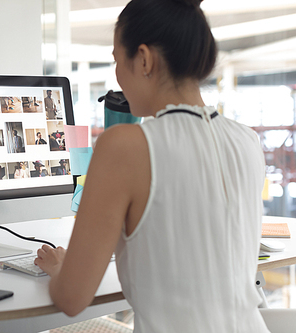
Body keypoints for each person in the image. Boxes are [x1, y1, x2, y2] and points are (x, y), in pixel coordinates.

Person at [34, 1, 268, 332]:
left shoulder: (124, 146)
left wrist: (61, 270)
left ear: (144, 59)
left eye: (116, 60)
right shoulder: (247, 140)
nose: (115, 76)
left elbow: (72, 298)